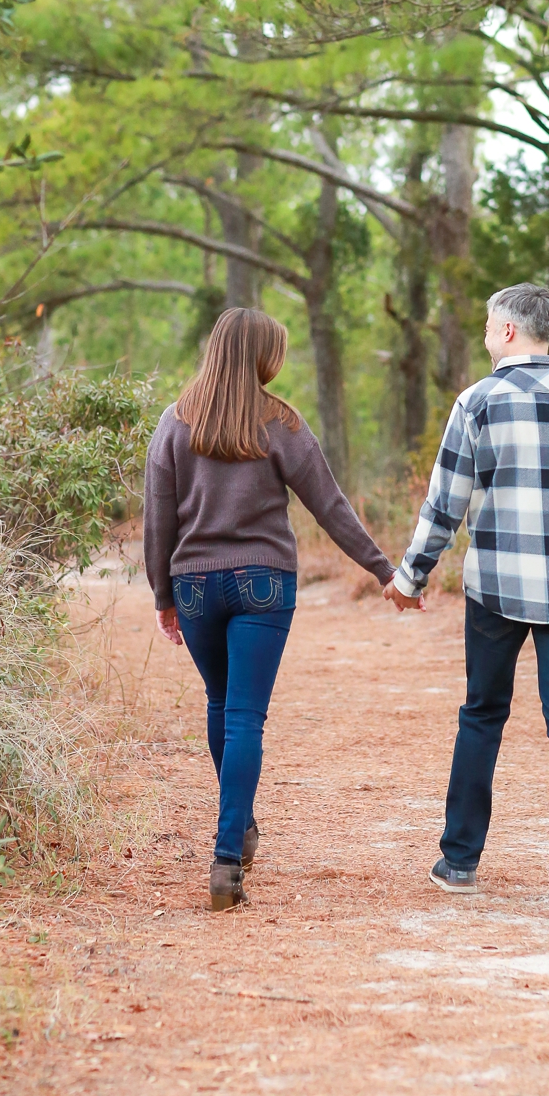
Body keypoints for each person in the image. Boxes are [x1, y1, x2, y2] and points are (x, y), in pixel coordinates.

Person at [384, 282, 549, 924]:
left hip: (497, 588)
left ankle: (461, 862)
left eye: (485, 324)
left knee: (482, 715)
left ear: (507, 332)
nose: (482, 333)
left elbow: (444, 502)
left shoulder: (476, 402)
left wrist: (410, 576)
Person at [144, 307, 395, 912]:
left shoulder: (174, 423)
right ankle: (228, 854)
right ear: (260, 357)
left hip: (197, 587)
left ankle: (240, 829)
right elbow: (328, 505)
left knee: (221, 705)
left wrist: (163, 592)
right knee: (245, 717)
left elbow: (158, 516)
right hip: (263, 581)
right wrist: (384, 569)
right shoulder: (281, 422)